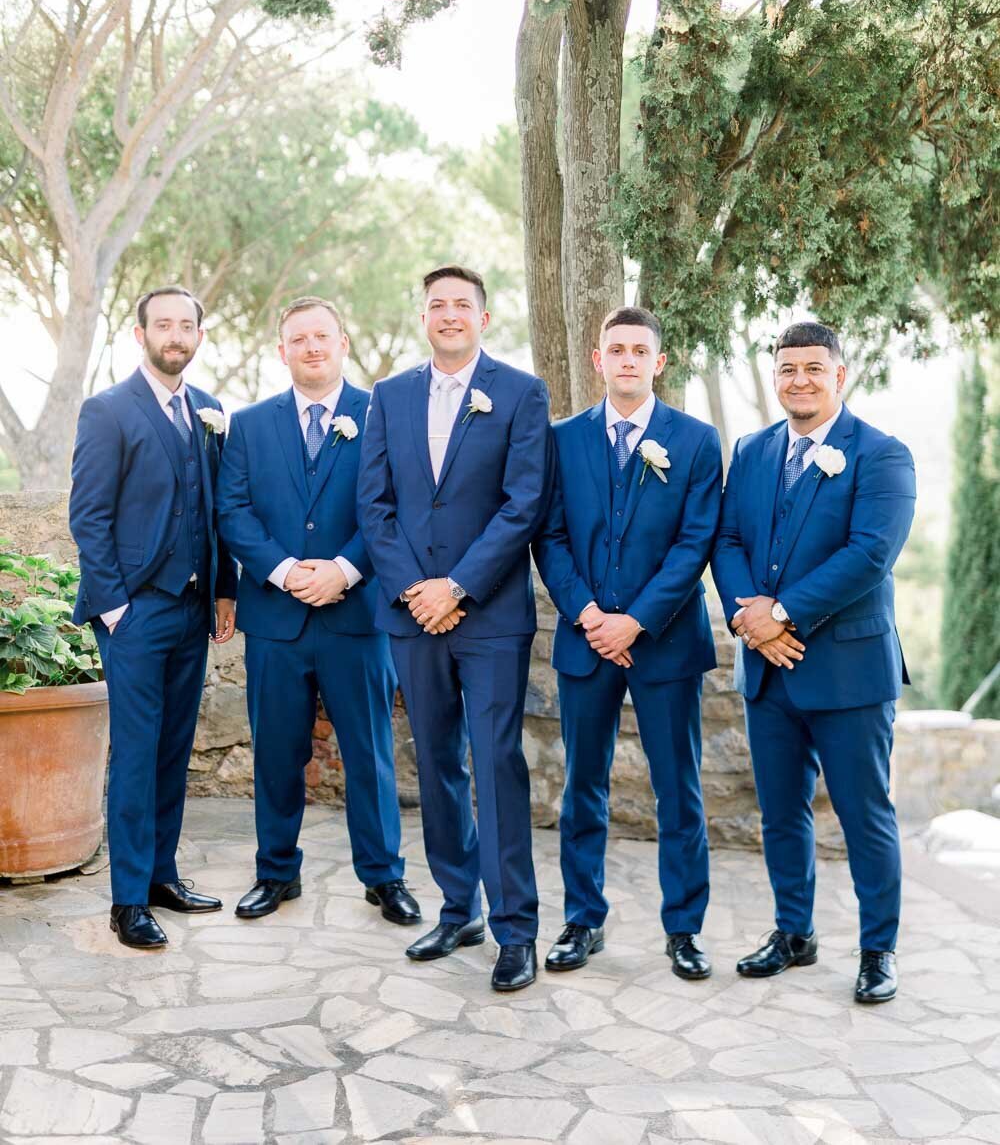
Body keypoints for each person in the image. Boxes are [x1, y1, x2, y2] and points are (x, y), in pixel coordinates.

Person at [357, 266, 551, 992]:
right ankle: (457, 905)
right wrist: (414, 589)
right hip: (412, 616)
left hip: (490, 615)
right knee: (435, 760)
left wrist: (459, 586)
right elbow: (373, 504)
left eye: (461, 305)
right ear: (423, 317)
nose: (448, 314)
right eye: (436, 304)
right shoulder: (389, 396)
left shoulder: (522, 394)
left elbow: (524, 502)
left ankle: (516, 930)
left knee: (497, 763)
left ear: (484, 317)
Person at [712, 321, 916, 1004]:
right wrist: (753, 620)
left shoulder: (882, 456)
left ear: (840, 375)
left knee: (864, 814)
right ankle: (792, 933)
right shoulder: (752, 450)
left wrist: (783, 614)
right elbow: (729, 538)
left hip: (850, 673)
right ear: (775, 377)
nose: (799, 380)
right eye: (787, 369)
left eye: (813, 369)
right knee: (780, 812)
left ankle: (878, 950)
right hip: (768, 670)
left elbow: (869, 556)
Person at [534, 307, 723, 979]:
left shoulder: (698, 442)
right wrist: (588, 614)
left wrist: (634, 621)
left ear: (659, 362)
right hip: (586, 641)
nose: (627, 361)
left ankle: (683, 929)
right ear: (597, 359)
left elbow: (694, 543)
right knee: (582, 785)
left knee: (680, 789)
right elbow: (547, 537)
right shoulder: (560, 441)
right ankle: (582, 921)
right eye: (615, 350)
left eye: (640, 351)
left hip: (666, 642)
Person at [216, 297, 417, 925]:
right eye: (298, 338)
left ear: (343, 343)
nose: (311, 347)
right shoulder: (248, 425)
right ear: (282, 351)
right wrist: (281, 571)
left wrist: (345, 570)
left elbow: (395, 505)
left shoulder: (380, 414)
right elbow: (233, 511)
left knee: (369, 752)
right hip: (275, 620)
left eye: (321, 336)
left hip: (357, 617)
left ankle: (384, 877)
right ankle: (276, 871)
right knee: (276, 751)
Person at [69, 286, 237, 949]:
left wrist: (225, 590)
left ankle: (163, 874)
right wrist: (116, 610)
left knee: (173, 749)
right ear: (141, 335)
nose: (176, 334)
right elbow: (89, 516)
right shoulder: (107, 411)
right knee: (137, 753)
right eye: (163, 324)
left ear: (198, 335)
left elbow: (219, 511)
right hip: (135, 613)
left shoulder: (211, 410)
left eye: (186, 324)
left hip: (194, 610)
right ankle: (129, 899)